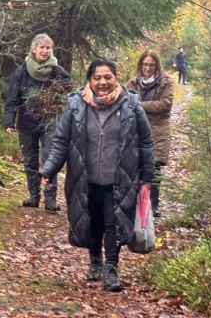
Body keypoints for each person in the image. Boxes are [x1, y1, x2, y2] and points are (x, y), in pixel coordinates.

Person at [39, 58, 155, 292]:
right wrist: (49, 169)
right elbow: (61, 141)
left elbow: (145, 142)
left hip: (120, 177)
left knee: (114, 222)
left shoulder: (131, 104)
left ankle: (111, 268)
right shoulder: (75, 105)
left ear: (116, 78)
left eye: (108, 77)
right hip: (85, 177)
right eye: (97, 78)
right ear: (89, 80)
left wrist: (147, 174)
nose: (103, 82)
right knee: (93, 221)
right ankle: (94, 261)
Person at [3, 33, 73, 212]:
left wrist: (58, 94)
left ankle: (50, 198)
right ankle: (33, 196)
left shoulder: (57, 70)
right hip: (26, 123)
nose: (45, 50)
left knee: (50, 158)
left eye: (48, 48)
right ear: (34, 49)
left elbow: (69, 87)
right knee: (30, 160)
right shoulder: (22, 71)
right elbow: (12, 98)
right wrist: (9, 121)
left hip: (49, 122)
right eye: (42, 47)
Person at [127, 50, 173, 217]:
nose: (147, 68)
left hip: (158, 131)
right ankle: (137, 201)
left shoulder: (165, 83)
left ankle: (154, 204)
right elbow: (126, 104)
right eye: (145, 64)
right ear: (141, 65)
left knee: (154, 167)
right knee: (135, 166)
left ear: (156, 66)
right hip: (136, 130)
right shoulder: (133, 83)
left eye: (151, 65)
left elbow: (165, 105)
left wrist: (140, 105)